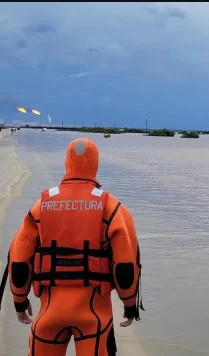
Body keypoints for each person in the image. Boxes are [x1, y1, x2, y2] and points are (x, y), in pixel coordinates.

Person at [0, 137, 144, 355]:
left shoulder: (41, 206)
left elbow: (19, 261)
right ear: (96, 164)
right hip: (94, 319)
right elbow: (125, 266)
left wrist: (20, 302)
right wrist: (130, 304)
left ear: (67, 163)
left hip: (48, 316)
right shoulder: (112, 208)